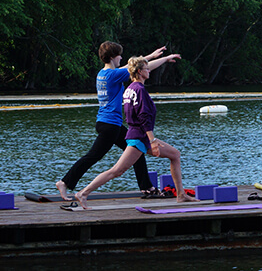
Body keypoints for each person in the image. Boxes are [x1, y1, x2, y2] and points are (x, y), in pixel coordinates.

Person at [56, 42, 179, 201]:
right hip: (110, 126)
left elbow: (135, 66)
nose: (122, 57)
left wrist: (151, 56)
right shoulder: (114, 75)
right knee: (93, 157)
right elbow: (138, 68)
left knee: (136, 148)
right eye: (120, 55)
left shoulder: (102, 74)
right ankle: (65, 182)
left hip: (105, 122)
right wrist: (163, 58)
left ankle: (147, 187)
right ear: (113, 57)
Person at [75, 57, 199, 209]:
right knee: (116, 171)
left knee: (175, 155)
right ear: (140, 72)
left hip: (140, 136)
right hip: (140, 138)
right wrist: (152, 140)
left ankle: (181, 195)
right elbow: (143, 117)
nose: (149, 71)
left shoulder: (130, 89)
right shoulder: (139, 90)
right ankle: (83, 193)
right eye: (147, 69)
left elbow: (130, 115)